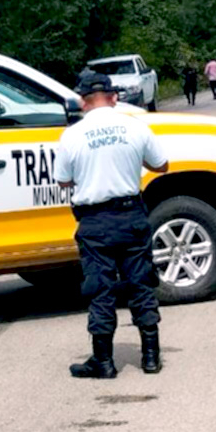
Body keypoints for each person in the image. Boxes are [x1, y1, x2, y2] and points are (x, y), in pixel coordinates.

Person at [56, 72, 169, 379]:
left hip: (95, 221)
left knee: (100, 290)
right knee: (141, 284)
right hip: (132, 216)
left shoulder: (71, 135)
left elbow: (64, 179)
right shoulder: (136, 127)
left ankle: (103, 362)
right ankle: (151, 357)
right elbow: (162, 165)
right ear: (114, 97)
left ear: (82, 101)